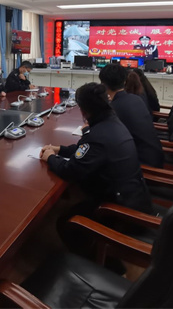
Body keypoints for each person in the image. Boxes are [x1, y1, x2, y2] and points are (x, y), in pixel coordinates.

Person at [40, 82, 153, 248]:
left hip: (120, 210)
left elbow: (71, 170)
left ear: (84, 110)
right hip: (135, 197)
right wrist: (60, 150)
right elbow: (86, 151)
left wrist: (50, 158)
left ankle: (105, 261)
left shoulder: (98, 135)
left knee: (65, 223)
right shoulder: (111, 122)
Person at [99, 63, 164, 167]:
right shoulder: (136, 99)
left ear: (103, 84)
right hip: (155, 156)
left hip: (142, 165)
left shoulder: (113, 109)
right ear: (125, 81)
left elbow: (101, 137)